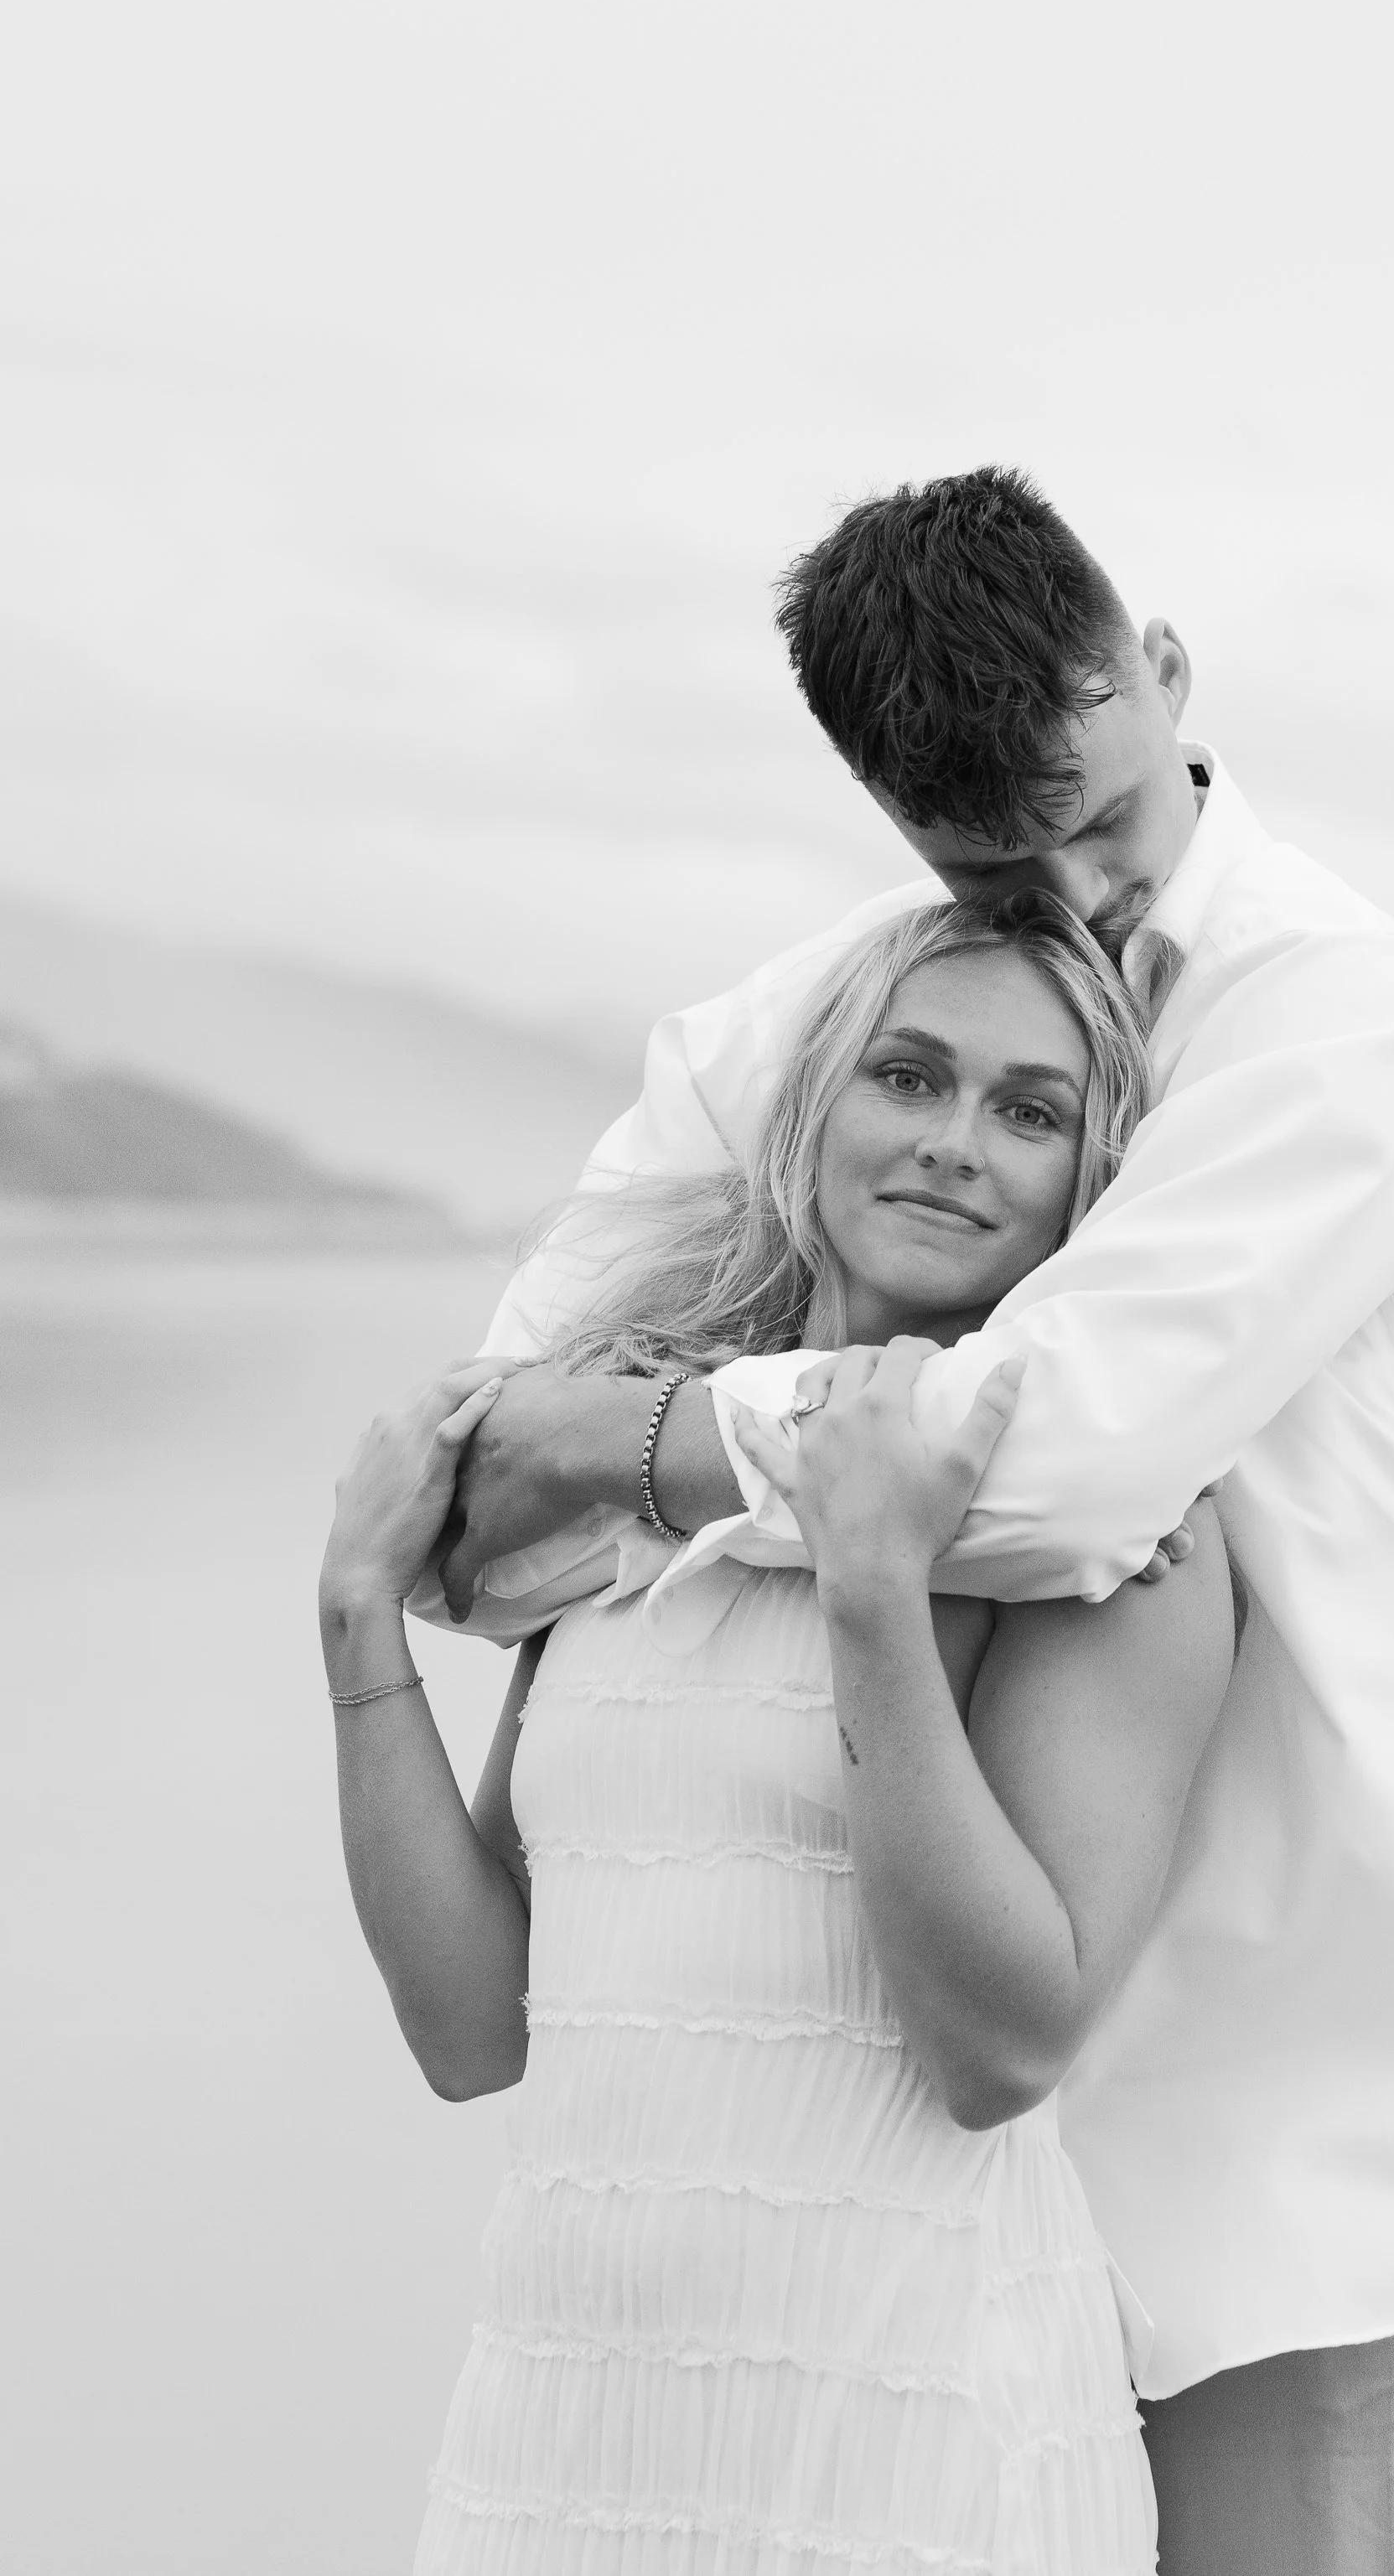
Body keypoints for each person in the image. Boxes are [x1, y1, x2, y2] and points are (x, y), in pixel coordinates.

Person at [417, 468, 1394, 2574]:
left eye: (1103, 819)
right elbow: (486, 1481)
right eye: (985, 856)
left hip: (1261, 2120)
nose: (1072, 899)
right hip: (903, 2183)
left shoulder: (1350, 1012)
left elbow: (1051, 1468)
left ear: (1163, 675)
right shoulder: (849, 1002)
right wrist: (588, 1453)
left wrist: (645, 1444)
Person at [325, 894, 1239, 2573]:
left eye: (1030, 1111)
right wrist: (354, 1623)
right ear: (814, 1106)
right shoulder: (625, 1474)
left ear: (1089, 1179)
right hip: (567, 2416)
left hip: (904, 2419)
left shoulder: (1101, 1538)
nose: (959, 1143)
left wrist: (877, 1595)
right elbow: (473, 2028)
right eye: (911, 1076)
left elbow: (1003, 2047)